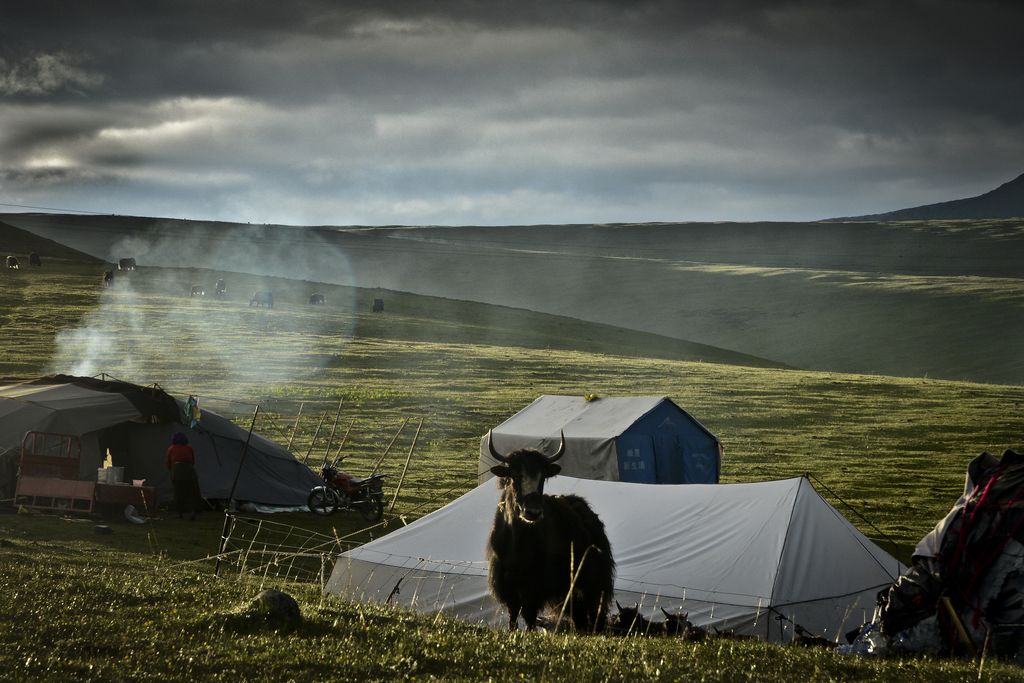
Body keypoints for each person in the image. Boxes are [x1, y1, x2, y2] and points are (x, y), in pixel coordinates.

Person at [166, 432, 200, 520]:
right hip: (189, 471)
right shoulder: (189, 448)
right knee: (190, 493)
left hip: (177, 472)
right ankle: (192, 512)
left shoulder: (171, 448)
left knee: (178, 493)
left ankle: (180, 513)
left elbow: (168, 463)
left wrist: (173, 470)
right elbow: (192, 461)